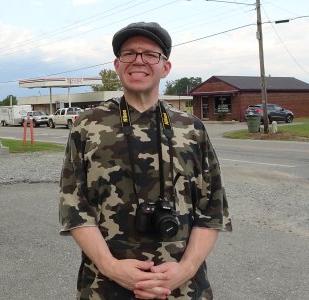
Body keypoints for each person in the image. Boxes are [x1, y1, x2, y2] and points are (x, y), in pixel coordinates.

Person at [59, 21, 232, 300]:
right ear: (117, 65)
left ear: (165, 67)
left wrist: (186, 269)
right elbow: (74, 208)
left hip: (182, 289)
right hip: (106, 287)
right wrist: (111, 267)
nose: (138, 61)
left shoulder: (192, 128)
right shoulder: (87, 125)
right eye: (129, 53)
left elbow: (212, 208)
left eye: (150, 54)